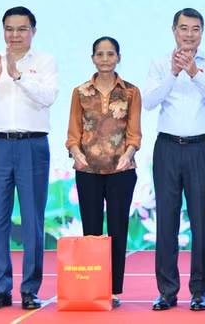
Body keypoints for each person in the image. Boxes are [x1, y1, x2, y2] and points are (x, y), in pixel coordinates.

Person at [0, 6, 60, 310]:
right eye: (10, 29)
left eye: (22, 29)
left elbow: (47, 97)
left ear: (33, 31)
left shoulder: (44, 62)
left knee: (33, 218)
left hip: (32, 145)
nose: (15, 35)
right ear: (3, 30)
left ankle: (30, 289)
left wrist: (18, 75)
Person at [142, 8, 205, 311]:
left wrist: (194, 72)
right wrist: (174, 73)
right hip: (166, 148)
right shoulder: (159, 63)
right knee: (166, 220)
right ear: (173, 30)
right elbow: (149, 102)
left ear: (202, 32)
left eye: (195, 29)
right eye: (183, 28)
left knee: (201, 220)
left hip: (201, 149)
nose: (189, 34)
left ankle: (199, 290)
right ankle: (167, 290)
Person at [66, 36, 141, 308]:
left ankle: (114, 290)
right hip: (87, 170)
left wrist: (129, 154)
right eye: (100, 54)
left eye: (111, 53)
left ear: (118, 57)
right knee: (92, 231)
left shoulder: (131, 92)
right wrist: (75, 152)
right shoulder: (81, 92)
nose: (106, 58)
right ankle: (93, 286)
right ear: (93, 58)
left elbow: (134, 132)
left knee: (118, 229)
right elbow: (73, 132)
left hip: (122, 170)